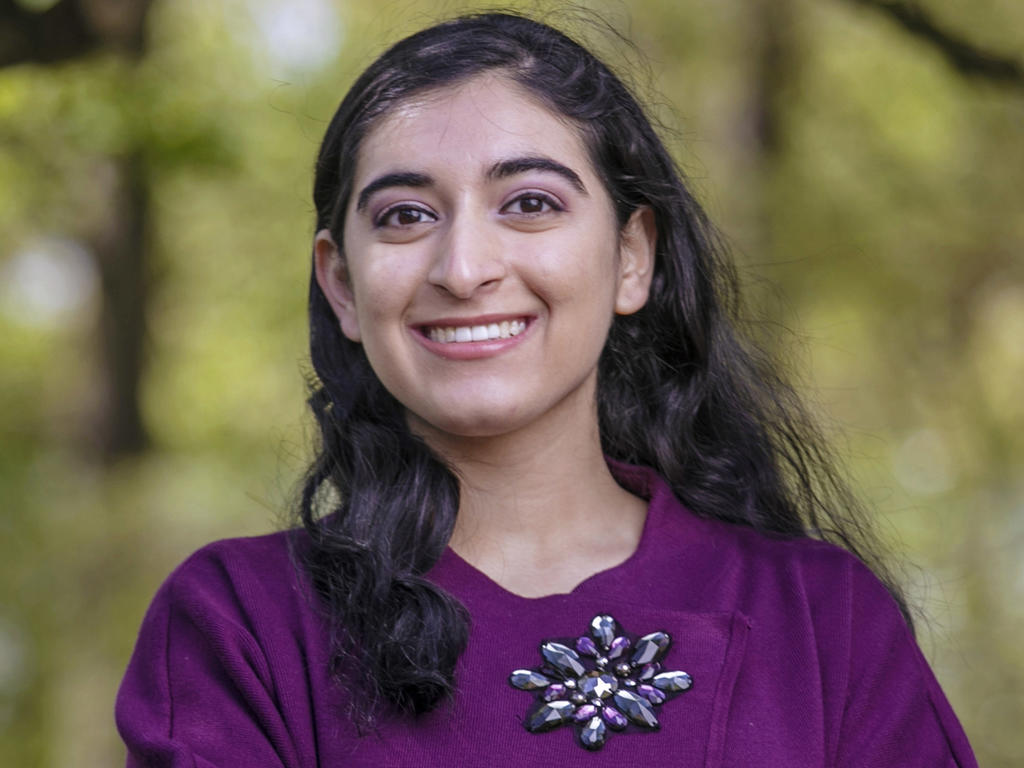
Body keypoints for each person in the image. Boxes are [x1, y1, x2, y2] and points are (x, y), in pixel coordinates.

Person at [116, 12, 977, 766]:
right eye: (406, 215)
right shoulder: (242, 627)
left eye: (529, 203)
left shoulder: (822, 619)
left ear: (632, 257)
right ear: (341, 284)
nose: (463, 269)